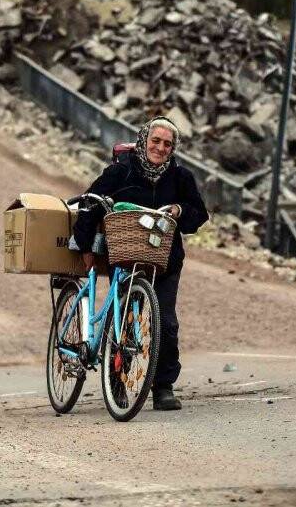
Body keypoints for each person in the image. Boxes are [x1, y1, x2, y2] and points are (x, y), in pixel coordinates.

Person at [72, 116, 209, 411]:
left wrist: (179, 209)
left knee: (166, 322)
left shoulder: (181, 178)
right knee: (123, 321)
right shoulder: (120, 171)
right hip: (124, 255)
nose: (160, 148)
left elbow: (199, 214)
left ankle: (162, 387)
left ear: (173, 149)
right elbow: (90, 202)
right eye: (156, 141)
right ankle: (118, 385)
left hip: (165, 259)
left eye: (167, 144)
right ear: (144, 139)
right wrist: (85, 246)